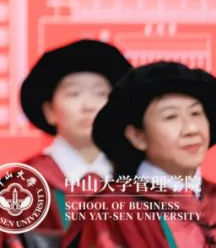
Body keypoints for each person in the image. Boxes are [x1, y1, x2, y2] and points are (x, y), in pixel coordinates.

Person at [63, 61, 216, 247]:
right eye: (171, 116)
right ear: (137, 136)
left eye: (196, 113)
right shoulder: (111, 211)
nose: (191, 129)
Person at [0, 40, 131, 247]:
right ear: (49, 111)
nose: (89, 106)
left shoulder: (134, 179)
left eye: (101, 94)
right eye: (74, 94)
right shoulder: (24, 184)